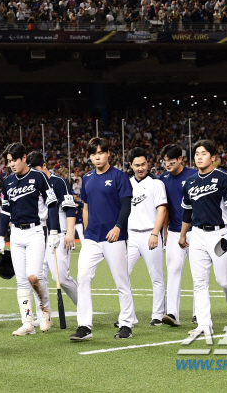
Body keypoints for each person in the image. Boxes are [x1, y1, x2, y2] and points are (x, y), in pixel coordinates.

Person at [70, 137, 135, 341]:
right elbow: (86, 207)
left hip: (114, 237)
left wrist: (118, 227)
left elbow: (126, 206)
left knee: (121, 281)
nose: (97, 156)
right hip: (92, 238)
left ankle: (126, 324)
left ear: (108, 153)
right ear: (90, 156)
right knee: (82, 279)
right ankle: (84, 326)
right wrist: (88, 230)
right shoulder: (87, 178)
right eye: (93, 153)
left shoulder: (119, 176)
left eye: (100, 152)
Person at [179, 139, 227, 336]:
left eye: (203, 153)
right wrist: (183, 235)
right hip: (197, 235)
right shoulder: (189, 182)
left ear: (213, 157)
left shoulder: (222, 177)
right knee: (199, 282)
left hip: (220, 234)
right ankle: (204, 325)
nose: (199, 157)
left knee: (225, 281)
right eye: (197, 154)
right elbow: (187, 212)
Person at [0, 143, 60, 336]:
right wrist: (1, 236)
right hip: (15, 234)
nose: (12, 165)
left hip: (35, 231)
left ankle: (45, 310)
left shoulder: (38, 177)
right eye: (9, 162)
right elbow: (5, 210)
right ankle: (27, 322)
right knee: (22, 281)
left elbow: (52, 203)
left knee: (34, 276)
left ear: (24, 158)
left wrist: (55, 230)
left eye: (14, 160)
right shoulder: (7, 182)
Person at [26, 152, 78, 315]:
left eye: (36, 169)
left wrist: (70, 233)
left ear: (44, 166)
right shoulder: (31, 184)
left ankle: (83, 306)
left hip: (59, 233)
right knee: (38, 277)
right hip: (38, 235)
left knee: (60, 278)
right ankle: (44, 314)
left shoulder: (58, 182)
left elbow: (70, 209)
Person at [126, 147, 167, 326]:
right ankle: (128, 316)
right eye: (137, 165)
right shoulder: (126, 183)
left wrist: (155, 234)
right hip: (131, 236)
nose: (141, 168)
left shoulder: (156, 183)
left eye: (143, 164)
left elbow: (162, 210)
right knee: (122, 274)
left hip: (150, 234)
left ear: (148, 163)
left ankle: (157, 315)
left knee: (156, 277)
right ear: (130, 165)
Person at [159, 144, 198, 327]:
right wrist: (165, 231)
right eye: (165, 161)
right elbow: (164, 208)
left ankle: (199, 313)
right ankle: (173, 313)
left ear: (181, 159)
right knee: (173, 271)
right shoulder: (163, 179)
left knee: (199, 274)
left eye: (171, 161)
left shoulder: (193, 175)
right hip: (175, 232)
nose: (167, 164)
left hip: (196, 231)